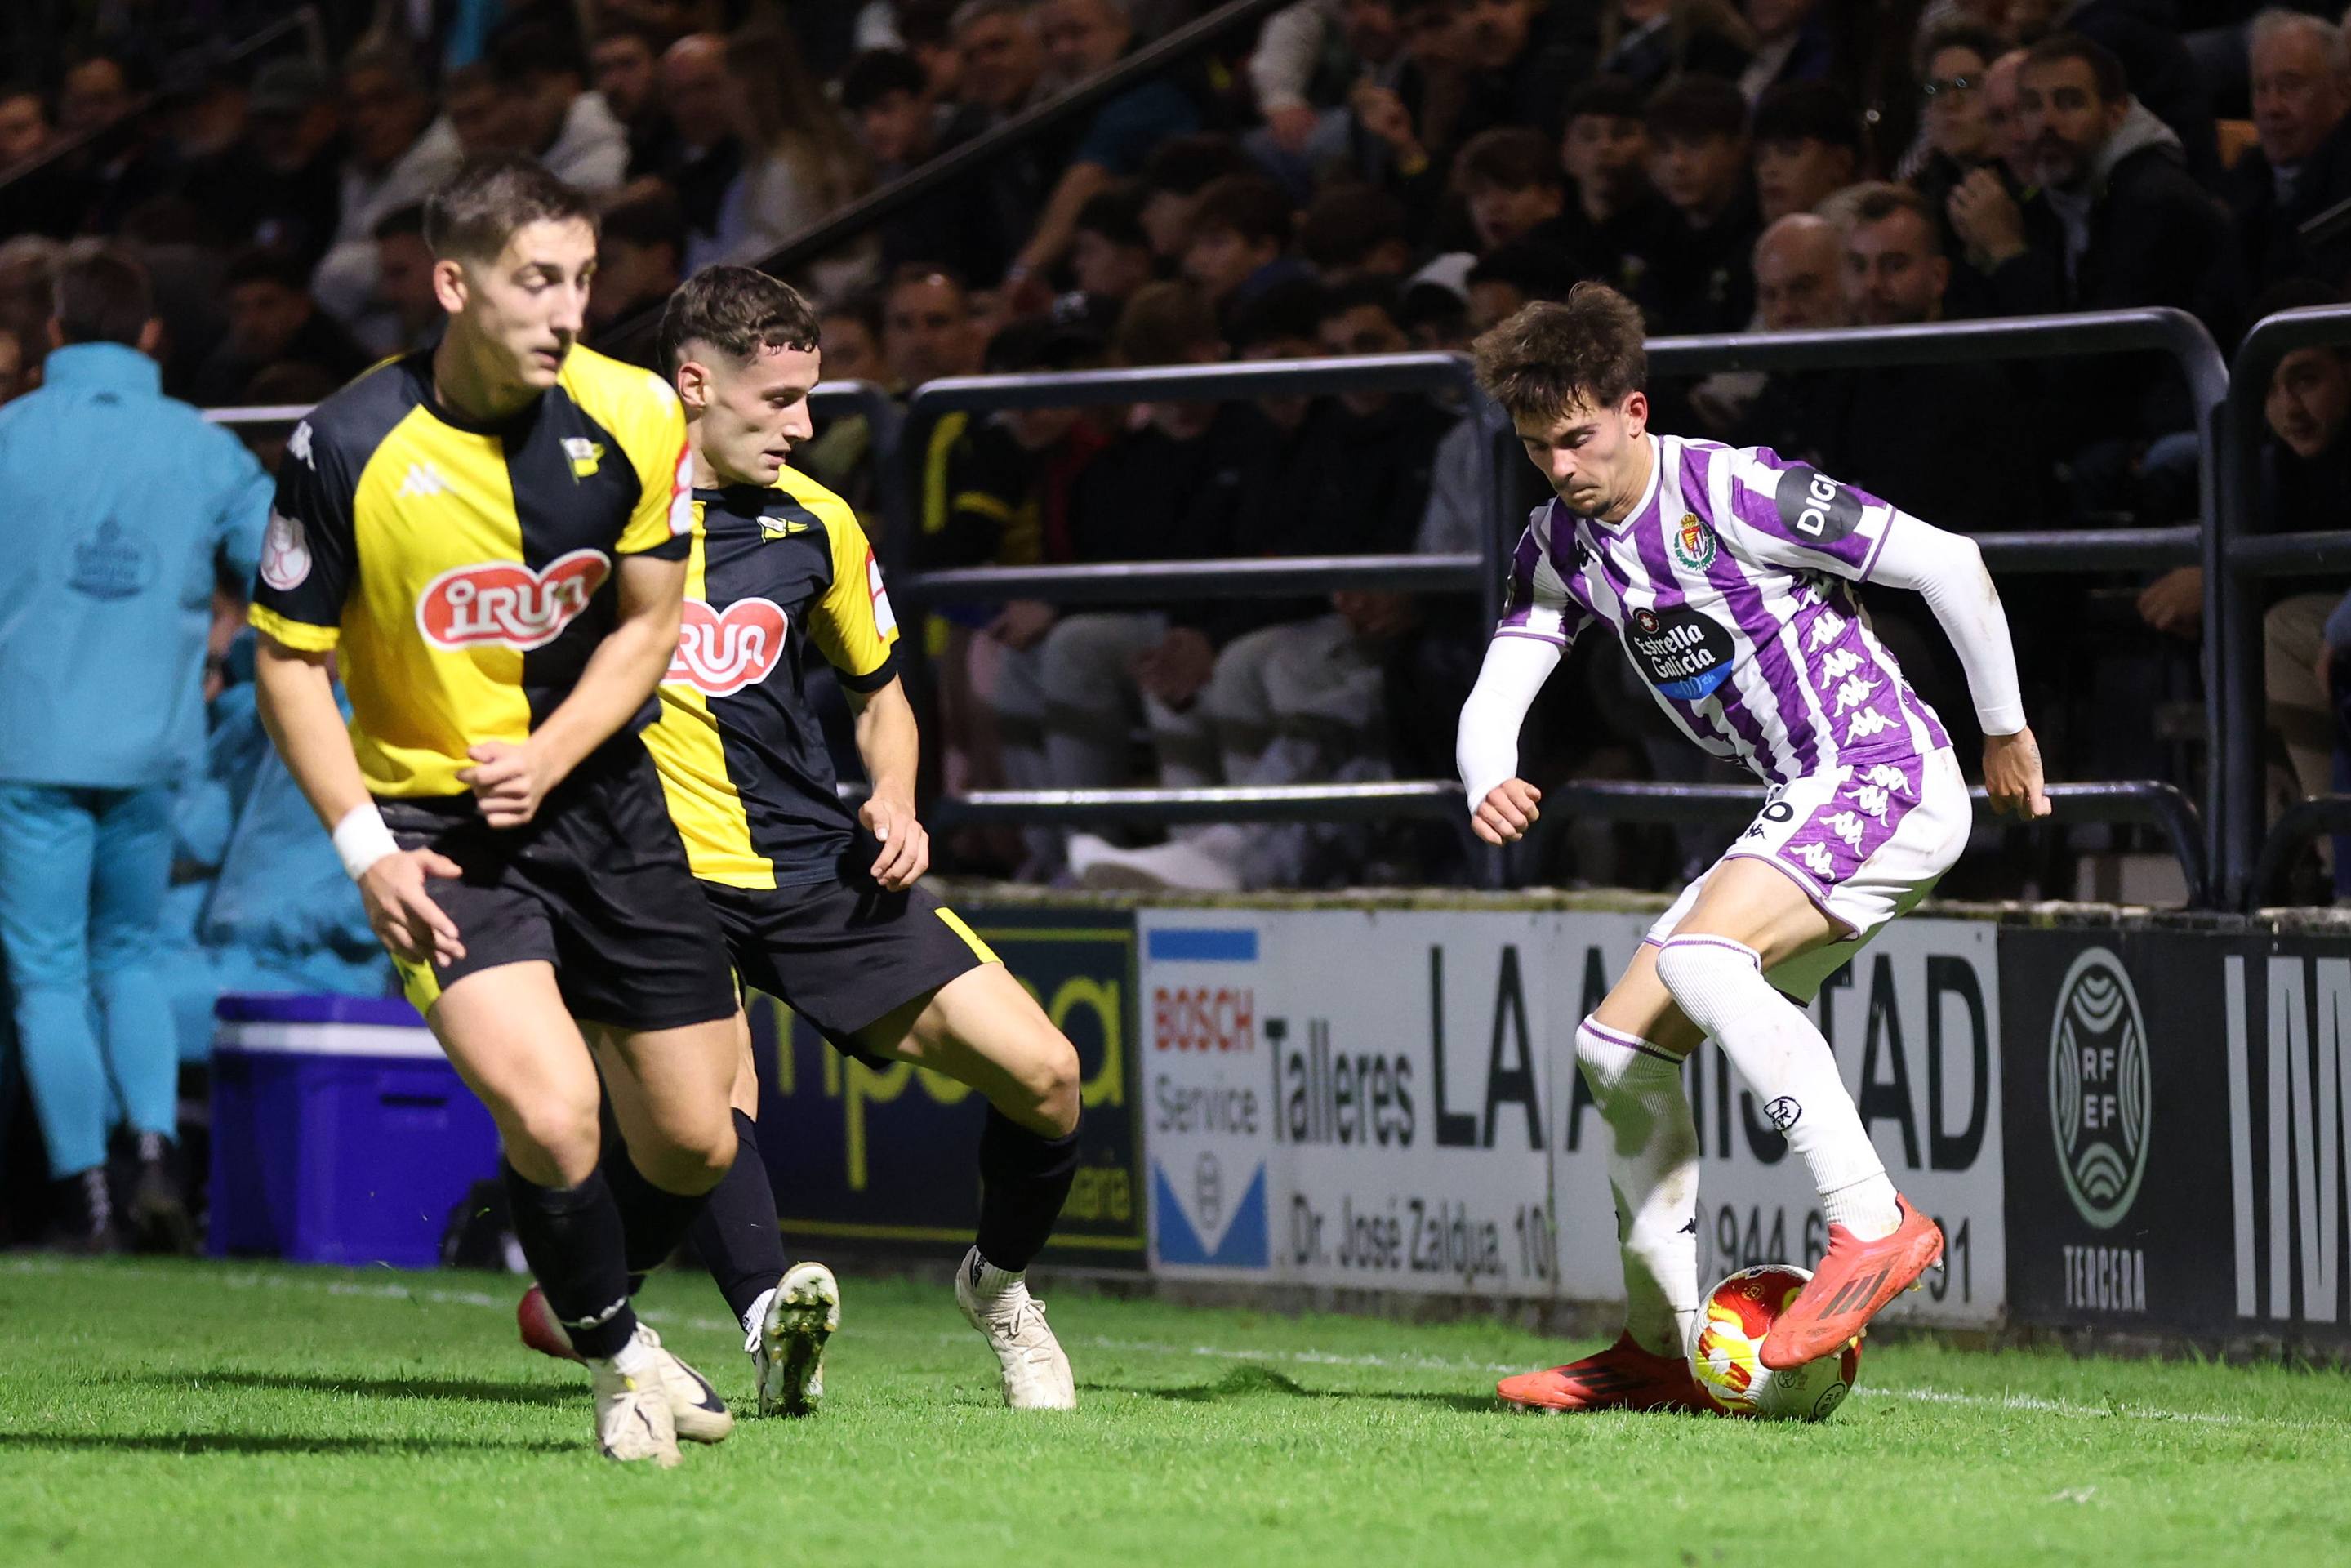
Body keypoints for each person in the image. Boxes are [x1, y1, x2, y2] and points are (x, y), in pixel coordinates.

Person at [1456, 284, 2048, 1410]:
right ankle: (1659, 1350)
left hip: (1882, 772)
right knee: (1613, 1048)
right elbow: (1499, 687)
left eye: (1577, 437)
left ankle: (1868, 1220)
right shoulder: (1559, 543)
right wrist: (1488, 772)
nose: (1560, 466)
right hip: (1803, 794)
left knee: (1699, 958)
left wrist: (2003, 730)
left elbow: (1945, 561)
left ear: (1634, 410)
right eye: (1537, 448)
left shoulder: (1729, 488)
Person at [247, 154, 744, 1468]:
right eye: (536, 280)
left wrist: (558, 743)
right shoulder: (346, 441)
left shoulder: (638, 414)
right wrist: (365, 850)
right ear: (452, 283)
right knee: (553, 1109)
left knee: (694, 1136)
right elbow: (288, 661)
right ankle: (617, 1355)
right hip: (437, 833)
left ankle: (587, 1305)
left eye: (582, 279)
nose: (566, 307)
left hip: (608, 807)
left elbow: (652, 622)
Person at [523, 266, 1087, 1410]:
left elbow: (880, 695)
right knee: (705, 1123)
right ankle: (721, 1315)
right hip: (651, 874)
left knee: (1046, 1074)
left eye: (807, 397)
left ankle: (999, 1288)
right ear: (694, 383)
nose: (804, 425)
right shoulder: (582, 520)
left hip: (812, 862)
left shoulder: (816, 520)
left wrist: (894, 798)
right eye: (776, 400)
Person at [0, 245, 269, 1252]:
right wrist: (229, 657)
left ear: (54, 335)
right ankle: (154, 1146)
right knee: (135, 957)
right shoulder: (203, 451)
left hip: (25, 752)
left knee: (49, 980)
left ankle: (89, 1199)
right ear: (150, 335)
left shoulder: (10, 437)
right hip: (155, 750)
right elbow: (281, 580)